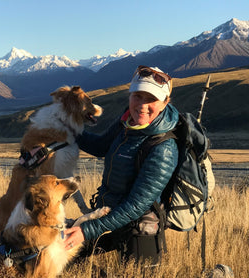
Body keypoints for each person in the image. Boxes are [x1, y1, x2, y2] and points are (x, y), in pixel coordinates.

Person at [64, 65, 179, 265]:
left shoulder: (164, 147)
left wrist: (86, 231)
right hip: (106, 213)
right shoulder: (126, 122)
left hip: (139, 225)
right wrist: (67, 129)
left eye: (151, 99)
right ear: (130, 96)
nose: (142, 105)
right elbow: (101, 146)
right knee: (60, 258)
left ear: (165, 102)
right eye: (137, 96)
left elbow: (135, 206)